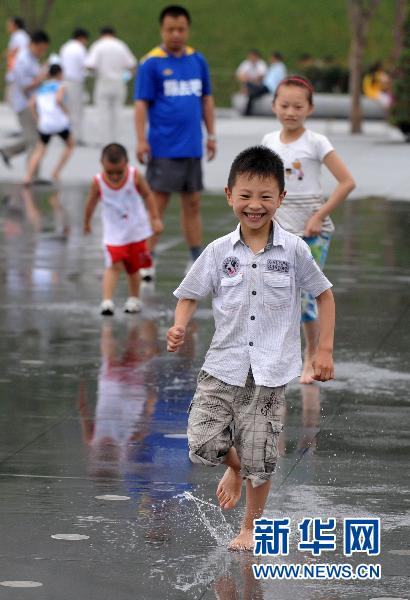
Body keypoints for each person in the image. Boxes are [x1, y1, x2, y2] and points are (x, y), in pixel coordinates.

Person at [167, 146, 336, 551]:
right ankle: (234, 467)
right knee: (203, 443)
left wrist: (323, 351)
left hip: (271, 370)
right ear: (229, 195)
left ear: (280, 198)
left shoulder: (294, 250)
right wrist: (178, 325)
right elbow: (189, 294)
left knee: (262, 458)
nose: (254, 206)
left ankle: (249, 528)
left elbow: (325, 295)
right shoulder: (218, 251)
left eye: (264, 197)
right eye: (245, 196)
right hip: (223, 365)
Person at [261, 75, 355, 383]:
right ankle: (280, 356)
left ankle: (311, 356)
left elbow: (347, 182)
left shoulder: (316, 142)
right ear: (274, 105)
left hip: (314, 233)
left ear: (310, 109)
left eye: (298, 106)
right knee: (278, 295)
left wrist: (319, 215)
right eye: (284, 105)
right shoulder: (268, 142)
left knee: (307, 297)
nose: (290, 111)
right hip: (280, 230)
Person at [134, 4, 216, 280]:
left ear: (188, 29)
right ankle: (147, 257)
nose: (176, 34)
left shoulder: (198, 60)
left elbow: (206, 99)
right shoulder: (151, 63)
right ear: (162, 30)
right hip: (163, 146)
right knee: (157, 203)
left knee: (192, 203)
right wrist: (140, 140)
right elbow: (141, 105)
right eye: (171, 29)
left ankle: (195, 258)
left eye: (181, 29)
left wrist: (211, 135)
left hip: (192, 145)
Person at [83, 143, 163, 315]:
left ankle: (134, 299)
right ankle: (107, 301)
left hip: (136, 230)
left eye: (119, 172)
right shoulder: (97, 182)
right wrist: (87, 222)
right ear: (101, 164)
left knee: (133, 267)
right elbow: (90, 202)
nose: (114, 177)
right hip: (113, 233)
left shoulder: (135, 176)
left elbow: (148, 195)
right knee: (113, 265)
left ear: (127, 163)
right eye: (109, 172)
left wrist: (155, 218)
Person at [0, 30, 50, 171]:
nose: (42, 52)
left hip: (33, 102)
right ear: (35, 44)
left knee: (34, 137)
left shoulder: (32, 59)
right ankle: (32, 176)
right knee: (34, 140)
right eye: (42, 49)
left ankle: (8, 151)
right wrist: (40, 79)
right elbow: (24, 86)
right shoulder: (23, 60)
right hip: (24, 104)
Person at [23, 64, 74, 185]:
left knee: (40, 150)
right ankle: (56, 172)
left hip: (45, 123)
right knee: (70, 145)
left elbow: (31, 104)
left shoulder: (41, 88)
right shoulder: (60, 85)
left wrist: (37, 118)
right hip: (59, 122)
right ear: (59, 74)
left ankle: (27, 176)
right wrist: (66, 111)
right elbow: (58, 99)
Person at [85, 27, 137, 145]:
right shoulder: (120, 45)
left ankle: (104, 141)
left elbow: (90, 65)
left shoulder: (98, 45)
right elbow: (132, 65)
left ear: (101, 34)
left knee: (103, 113)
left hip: (103, 82)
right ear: (114, 34)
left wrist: (95, 74)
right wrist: (126, 77)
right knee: (118, 112)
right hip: (119, 83)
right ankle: (117, 141)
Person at [59, 28, 90, 145]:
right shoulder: (79, 48)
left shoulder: (65, 47)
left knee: (67, 109)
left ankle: (66, 135)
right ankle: (76, 137)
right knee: (77, 110)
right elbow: (85, 65)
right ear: (82, 38)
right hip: (76, 82)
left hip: (64, 81)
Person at [244, 51, 287, 116]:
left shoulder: (280, 67)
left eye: (272, 58)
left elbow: (280, 79)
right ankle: (249, 88)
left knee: (252, 94)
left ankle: (247, 112)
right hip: (265, 86)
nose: (270, 59)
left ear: (276, 58)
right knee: (250, 87)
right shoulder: (274, 67)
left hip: (269, 87)